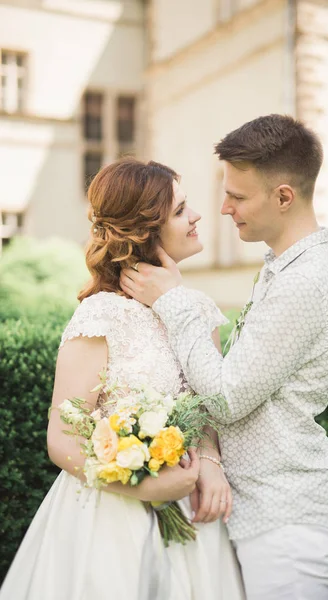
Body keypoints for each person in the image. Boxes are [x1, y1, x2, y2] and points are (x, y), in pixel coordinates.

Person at [120, 115, 328, 600]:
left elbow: (226, 398)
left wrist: (175, 302)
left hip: (286, 517)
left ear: (284, 196)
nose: (223, 209)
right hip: (258, 513)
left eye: (239, 197)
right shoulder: (283, 268)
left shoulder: (305, 282)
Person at [0, 158, 244, 600]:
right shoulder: (102, 315)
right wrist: (148, 486)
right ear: (145, 230)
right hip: (109, 519)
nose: (196, 217)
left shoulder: (199, 309)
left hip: (192, 514)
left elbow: (207, 406)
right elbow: (62, 438)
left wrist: (210, 464)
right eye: (180, 210)